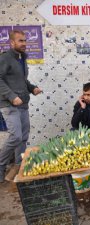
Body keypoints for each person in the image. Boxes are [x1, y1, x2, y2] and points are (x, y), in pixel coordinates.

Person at [0, 30, 42, 183]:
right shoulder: (5, 58)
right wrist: (11, 96)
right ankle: (1, 164)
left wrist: (32, 88)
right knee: (16, 136)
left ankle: (19, 165)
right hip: (9, 104)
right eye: (20, 41)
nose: (24, 44)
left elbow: (22, 81)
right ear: (12, 43)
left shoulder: (22, 58)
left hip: (23, 103)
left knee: (23, 137)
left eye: (25, 41)